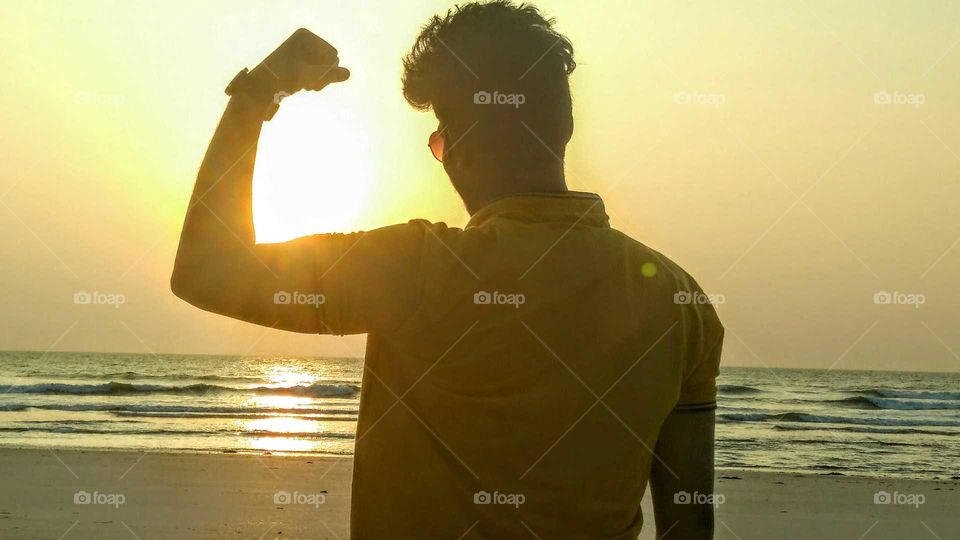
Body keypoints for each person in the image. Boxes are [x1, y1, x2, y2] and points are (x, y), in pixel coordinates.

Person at [171, 1, 724, 538]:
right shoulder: (680, 301)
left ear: (457, 146)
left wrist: (256, 96)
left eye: (439, 138)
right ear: (565, 127)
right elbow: (689, 523)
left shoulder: (419, 267)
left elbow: (205, 270)